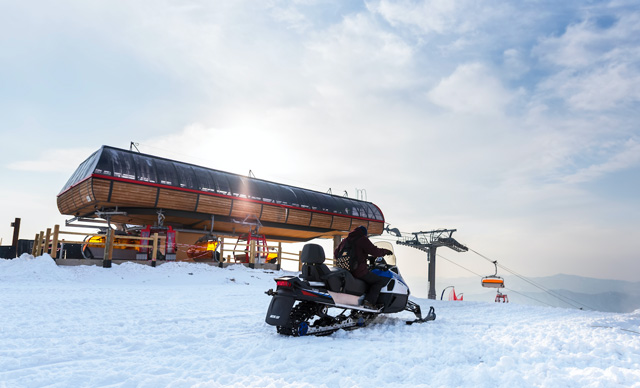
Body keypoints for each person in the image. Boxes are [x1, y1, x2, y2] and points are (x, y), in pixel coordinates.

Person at [334, 225, 393, 310]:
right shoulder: (362, 239)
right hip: (357, 271)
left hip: (345, 270)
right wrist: (385, 251)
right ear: (364, 233)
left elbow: (336, 254)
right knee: (378, 281)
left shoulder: (345, 240)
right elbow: (375, 252)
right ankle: (369, 302)